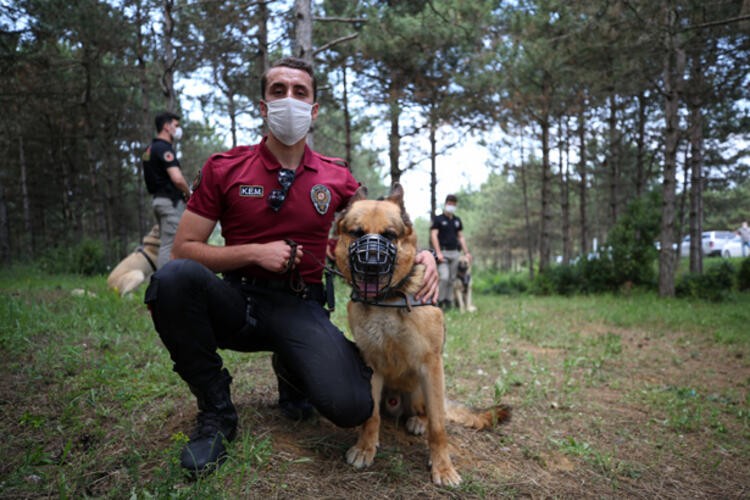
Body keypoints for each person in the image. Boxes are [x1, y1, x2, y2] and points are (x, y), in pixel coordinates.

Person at [144, 57, 438, 475]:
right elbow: (185, 246)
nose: (289, 100)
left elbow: (377, 223)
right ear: (263, 106)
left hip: (301, 304)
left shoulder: (336, 176)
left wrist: (421, 251)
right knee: (172, 279)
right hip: (236, 301)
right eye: (278, 91)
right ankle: (215, 412)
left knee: (353, 405)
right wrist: (253, 252)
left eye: (300, 92)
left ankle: (292, 368)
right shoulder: (224, 167)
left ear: (314, 110)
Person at [143, 111, 191, 269]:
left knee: (166, 243)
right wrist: (188, 192)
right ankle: (162, 286)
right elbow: (177, 178)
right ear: (166, 126)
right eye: (176, 125)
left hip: (158, 201)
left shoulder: (149, 150)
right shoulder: (164, 149)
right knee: (170, 245)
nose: (178, 129)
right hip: (169, 203)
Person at [430, 194, 471, 309]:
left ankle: (449, 301)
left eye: (454, 204)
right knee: (444, 277)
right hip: (443, 252)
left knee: (453, 278)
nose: (451, 206)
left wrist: (466, 252)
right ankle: (439, 301)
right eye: (449, 204)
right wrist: (438, 252)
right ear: (446, 204)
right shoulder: (438, 219)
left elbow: (461, 237)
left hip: (455, 253)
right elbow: (434, 235)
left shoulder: (457, 220)